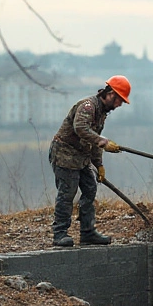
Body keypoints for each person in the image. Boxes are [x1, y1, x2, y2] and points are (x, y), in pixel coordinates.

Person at [48, 76, 131, 247]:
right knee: (67, 193)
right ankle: (59, 234)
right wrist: (104, 142)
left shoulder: (101, 113)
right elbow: (81, 128)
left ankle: (87, 233)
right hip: (64, 154)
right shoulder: (88, 106)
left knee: (90, 188)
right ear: (111, 94)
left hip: (81, 157)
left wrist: (99, 165)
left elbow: (94, 141)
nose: (119, 105)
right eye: (119, 100)